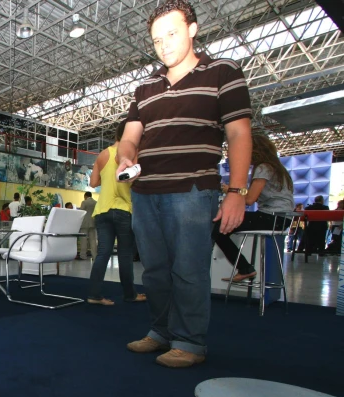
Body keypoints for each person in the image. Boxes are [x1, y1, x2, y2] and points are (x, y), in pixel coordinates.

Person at [116, 0, 253, 368]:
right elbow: (130, 137)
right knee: (156, 271)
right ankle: (161, 332)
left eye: (172, 34)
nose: (164, 45)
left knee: (189, 269)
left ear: (192, 29)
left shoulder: (223, 71)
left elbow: (239, 134)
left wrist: (237, 193)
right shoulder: (145, 87)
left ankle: (191, 342)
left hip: (193, 190)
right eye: (157, 40)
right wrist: (125, 156)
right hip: (145, 193)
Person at [214, 134, 294, 282]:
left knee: (218, 228)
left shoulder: (263, 168)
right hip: (281, 218)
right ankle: (245, 268)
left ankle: (245, 268)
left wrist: (230, 190)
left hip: (272, 217)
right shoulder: (277, 168)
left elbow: (250, 199)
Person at [87, 120, 146, 306]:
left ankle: (94, 295)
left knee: (103, 252)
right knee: (125, 254)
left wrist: (108, 179)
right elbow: (136, 181)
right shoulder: (132, 154)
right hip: (123, 209)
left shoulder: (103, 155)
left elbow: (93, 182)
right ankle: (130, 294)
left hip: (102, 209)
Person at [79, 192, 97, 258]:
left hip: (85, 223)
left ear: (85, 196)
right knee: (93, 240)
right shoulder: (96, 202)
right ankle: (94, 255)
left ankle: (83, 255)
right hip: (93, 222)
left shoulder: (84, 202)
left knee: (83, 239)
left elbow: (81, 212)